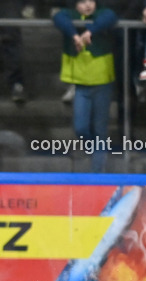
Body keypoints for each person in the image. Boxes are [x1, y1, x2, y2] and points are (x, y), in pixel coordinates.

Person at [53, 0, 119, 172]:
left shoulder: (102, 15)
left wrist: (90, 31)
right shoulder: (70, 16)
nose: (88, 5)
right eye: (82, 2)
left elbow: (110, 16)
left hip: (102, 82)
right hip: (81, 84)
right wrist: (75, 35)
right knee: (80, 127)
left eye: (91, 1)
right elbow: (58, 17)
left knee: (100, 130)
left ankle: (98, 174)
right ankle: (95, 152)